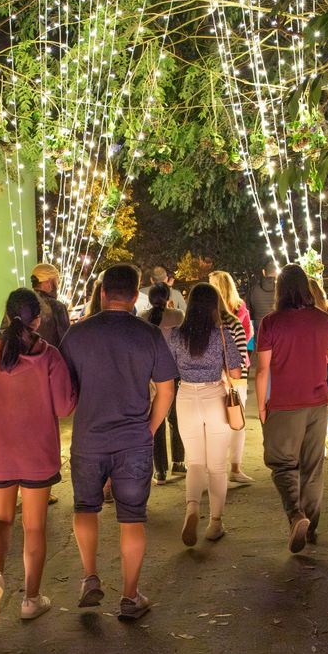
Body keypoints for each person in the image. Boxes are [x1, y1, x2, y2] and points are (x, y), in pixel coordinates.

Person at [59, 264, 177, 621]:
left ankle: (90, 576)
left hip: (88, 439)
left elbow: (64, 389)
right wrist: (150, 428)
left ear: (104, 292)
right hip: (133, 442)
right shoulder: (149, 335)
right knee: (132, 519)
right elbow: (167, 388)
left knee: (85, 509)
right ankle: (129, 596)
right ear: (135, 292)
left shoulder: (78, 335)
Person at [0, 289, 76, 623]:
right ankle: (31, 599)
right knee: (34, 527)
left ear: (8, 316)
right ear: (38, 319)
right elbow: (64, 406)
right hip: (36, 455)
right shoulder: (49, 356)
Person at [255, 264, 328, 553]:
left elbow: (262, 371)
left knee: (282, 464)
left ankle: (296, 515)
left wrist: (261, 408)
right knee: (312, 467)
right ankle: (311, 526)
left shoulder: (271, 323)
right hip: (317, 404)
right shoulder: (323, 320)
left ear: (280, 290)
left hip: (283, 405)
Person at [167, 284, 242, 547]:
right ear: (213, 306)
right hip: (214, 397)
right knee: (217, 466)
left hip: (186, 396)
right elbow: (235, 373)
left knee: (195, 462)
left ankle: (191, 509)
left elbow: (168, 367)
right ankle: (215, 523)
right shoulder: (222, 335)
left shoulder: (177, 335)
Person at [209, 271, 253, 486]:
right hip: (238, 373)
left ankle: (216, 472)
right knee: (237, 421)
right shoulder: (239, 310)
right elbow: (246, 338)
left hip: (212, 376)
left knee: (215, 424)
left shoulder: (208, 315)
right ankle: (235, 468)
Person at [141, 282, 186, 483]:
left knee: (156, 420)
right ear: (168, 297)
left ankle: (159, 470)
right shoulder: (177, 316)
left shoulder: (141, 318)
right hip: (174, 371)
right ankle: (178, 463)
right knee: (176, 418)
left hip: (150, 373)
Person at [30, 263, 70, 348]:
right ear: (49, 283)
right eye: (57, 282)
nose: (58, 287)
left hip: (23, 360)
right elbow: (66, 342)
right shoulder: (57, 307)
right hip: (50, 359)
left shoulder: (19, 303)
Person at [248, 259, 277, 334]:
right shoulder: (283, 289)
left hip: (260, 331)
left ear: (264, 272)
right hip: (279, 331)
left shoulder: (253, 290)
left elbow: (248, 312)